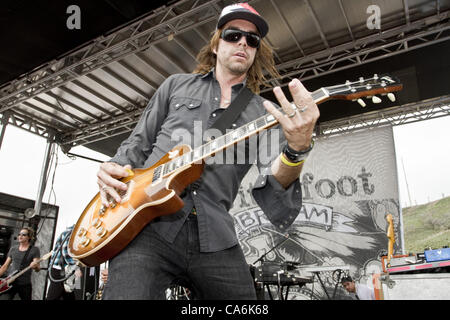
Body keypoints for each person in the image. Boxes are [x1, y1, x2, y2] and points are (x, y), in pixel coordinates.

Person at [97, 2, 319, 300]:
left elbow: (275, 182)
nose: (243, 42)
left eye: (252, 40)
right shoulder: (175, 86)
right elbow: (136, 145)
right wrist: (112, 168)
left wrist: (297, 149)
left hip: (215, 235)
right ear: (216, 44)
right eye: (233, 35)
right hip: (147, 226)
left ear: (255, 51)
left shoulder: (264, 113)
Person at [0, 227, 40, 300]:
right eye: (19, 234)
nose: (20, 236)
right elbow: (5, 266)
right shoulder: (13, 248)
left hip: (24, 284)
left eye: (23, 235)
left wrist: (35, 266)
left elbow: (37, 268)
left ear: (29, 237)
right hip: (10, 281)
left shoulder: (34, 250)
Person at [46, 225, 82, 300]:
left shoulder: (73, 233)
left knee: (68, 294)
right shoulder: (69, 233)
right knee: (53, 296)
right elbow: (65, 252)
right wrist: (76, 268)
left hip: (63, 270)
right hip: (58, 270)